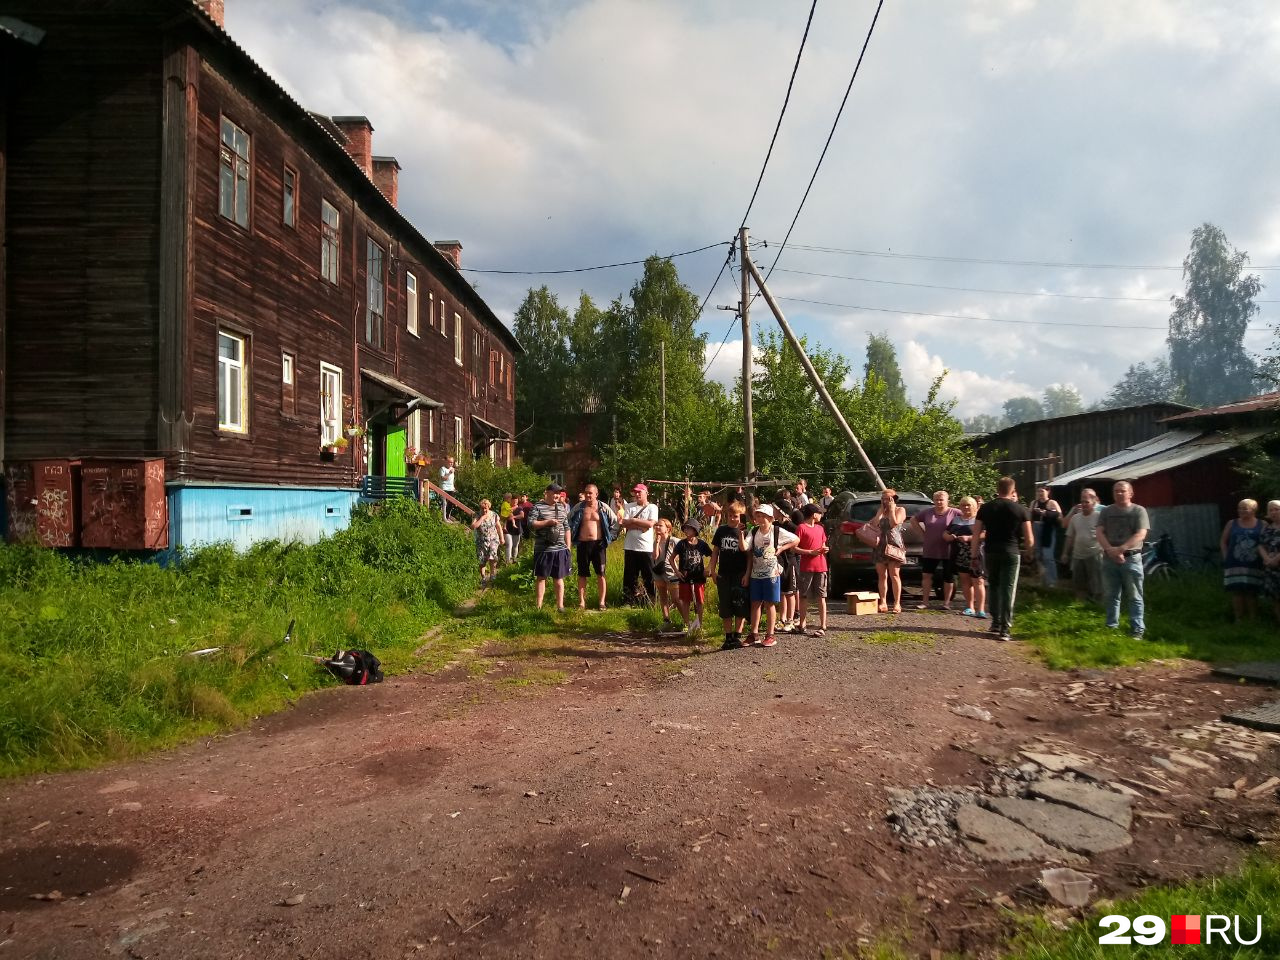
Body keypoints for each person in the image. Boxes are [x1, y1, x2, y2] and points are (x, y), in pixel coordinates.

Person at [974, 477, 1033, 642]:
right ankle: (1005, 629)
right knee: (1008, 588)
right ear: (1013, 490)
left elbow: (976, 534)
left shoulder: (985, 508)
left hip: (991, 551)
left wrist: (973, 555)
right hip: (1012, 552)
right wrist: (1029, 552)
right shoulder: (1021, 510)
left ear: (997, 489)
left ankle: (995, 621)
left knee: (993, 584)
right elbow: (1029, 538)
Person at [1095, 480, 1148, 639]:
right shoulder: (1106, 511)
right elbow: (1099, 531)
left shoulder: (1139, 511)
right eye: (1116, 491)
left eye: (1122, 491)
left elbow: (1141, 534)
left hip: (1131, 558)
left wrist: (1121, 549)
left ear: (1130, 493)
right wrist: (1110, 550)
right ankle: (1111, 626)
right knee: (1111, 594)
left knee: (1134, 595)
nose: (1119, 493)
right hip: (1109, 558)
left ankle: (1137, 629)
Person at [744, 504, 798, 647]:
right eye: (758, 516)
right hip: (756, 573)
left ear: (770, 518)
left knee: (769, 603)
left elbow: (796, 539)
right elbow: (745, 547)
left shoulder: (776, 531)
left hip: (772, 573)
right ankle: (754, 633)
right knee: (755, 603)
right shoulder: (753, 531)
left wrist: (782, 548)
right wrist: (739, 533)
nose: (760, 519)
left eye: (763, 516)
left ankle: (770, 635)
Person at [709, 502, 750, 650]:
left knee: (740, 604)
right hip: (724, 573)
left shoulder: (746, 531)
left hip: (739, 573)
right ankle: (728, 637)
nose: (733, 519)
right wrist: (712, 570)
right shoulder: (721, 530)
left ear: (741, 517)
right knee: (725, 605)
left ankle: (737, 636)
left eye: (736, 516)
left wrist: (747, 574)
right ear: (727, 516)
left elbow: (748, 555)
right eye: (731, 516)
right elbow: (715, 551)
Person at [569, 484, 616, 611]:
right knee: (582, 574)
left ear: (596, 494)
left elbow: (615, 523)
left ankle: (602, 602)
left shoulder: (603, 507)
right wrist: (571, 538)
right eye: (586, 493)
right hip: (582, 545)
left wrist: (609, 538)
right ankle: (582, 602)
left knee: (601, 574)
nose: (588, 495)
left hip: (598, 545)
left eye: (590, 493)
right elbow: (568, 521)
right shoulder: (579, 507)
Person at [914, 490, 960, 609]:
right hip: (930, 549)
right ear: (933, 500)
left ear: (947, 500)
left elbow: (969, 518)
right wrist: (922, 534)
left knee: (949, 577)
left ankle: (946, 603)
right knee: (926, 575)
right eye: (936, 499)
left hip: (949, 549)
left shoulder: (955, 512)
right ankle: (925, 602)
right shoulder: (928, 512)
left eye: (941, 499)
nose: (939, 502)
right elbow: (914, 520)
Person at [529, 483, 571, 611]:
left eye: (559, 493)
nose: (557, 495)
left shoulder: (562, 508)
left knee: (559, 578)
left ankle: (560, 606)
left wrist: (568, 546)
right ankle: (539, 606)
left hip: (560, 549)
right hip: (543, 549)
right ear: (547, 493)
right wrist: (547, 522)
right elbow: (531, 524)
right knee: (541, 577)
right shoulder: (537, 507)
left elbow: (567, 527)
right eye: (554, 492)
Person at [1221, 498, 1264, 621]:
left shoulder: (1262, 524)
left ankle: (1253, 619)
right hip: (1234, 563)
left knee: (1252, 591)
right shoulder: (1231, 523)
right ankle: (1238, 619)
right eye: (1239, 508)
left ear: (1253, 510)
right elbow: (1223, 542)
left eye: (1244, 508)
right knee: (1237, 591)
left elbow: (1266, 542)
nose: (1241, 510)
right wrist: (1225, 557)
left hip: (1255, 563)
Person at [945, 496, 986, 619]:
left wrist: (969, 538)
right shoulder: (956, 519)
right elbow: (946, 533)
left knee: (978, 581)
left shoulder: (979, 519)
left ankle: (981, 609)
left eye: (969, 505)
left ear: (974, 506)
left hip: (975, 554)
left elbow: (984, 534)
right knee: (965, 581)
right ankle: (970, 607)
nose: (966, 507)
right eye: (963, 505)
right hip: (959, 554)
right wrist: (948, 537)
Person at [869, 489, 908, 613]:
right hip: (880, 545)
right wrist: (880, 511)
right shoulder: (881, 511)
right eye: (883, 498)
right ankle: (883, 601)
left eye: (888, 498)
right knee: (882, 575)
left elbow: (894, 523)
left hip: (894, 545)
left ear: (894, 498)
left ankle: (897, 603)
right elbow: (874, 525)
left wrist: (891, 510)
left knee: (894, 574)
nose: (885, 501)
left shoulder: (900, 510)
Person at [619, 483, 659, 605]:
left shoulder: (652, 507)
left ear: (646, 493)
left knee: (649, 575)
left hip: (645, 547)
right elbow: (624, 523)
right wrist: (640, 524)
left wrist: (634, 520)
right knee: (630, 576)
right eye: (635, 492)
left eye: (639, 492)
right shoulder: (629, 506)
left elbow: (650, 524)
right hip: (630, 546)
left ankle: (651, 600)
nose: (637, 494)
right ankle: (628, 600)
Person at [1061, 488, 1103, 603]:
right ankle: (1080, 605)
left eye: (1087, 502)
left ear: (1094, 502)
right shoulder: (1075, 518)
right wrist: (1065, 553)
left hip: (1095, 554)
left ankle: (1097, 605)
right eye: (1082, 501)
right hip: (1078, 555)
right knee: (1079, 582)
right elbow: (1069, 536)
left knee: (1096, 583)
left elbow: (1106, 535)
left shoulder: (1099, 516)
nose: (1084, 504)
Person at [672, 519, 712, 636]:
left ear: (695, 530)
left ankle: (700, 624)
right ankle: (687, 624)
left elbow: (713, 555)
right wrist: (677, 572)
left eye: (689, 528)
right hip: (685, 577)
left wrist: (708, 568)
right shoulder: (681, 544)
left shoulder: (702, 544)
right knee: (685, 601)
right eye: (685, 528)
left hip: (698, 577)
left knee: (699, 601)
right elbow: (671, 558)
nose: (686, 530)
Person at [795, 503, 830, 637]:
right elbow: (794, 548)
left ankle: (823, 625)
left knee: (822, 596)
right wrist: (810, 552)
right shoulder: (801, 528)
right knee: (804, 596)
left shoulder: (820, 528)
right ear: (814, 514)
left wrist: (824, 549)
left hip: (821, 566)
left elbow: (823, 544)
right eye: (819, 512)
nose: (821, 515)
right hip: (806, 567)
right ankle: (802, 624)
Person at [1030, 486, 1064, 587]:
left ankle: (1052, 581)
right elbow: (1029, 514)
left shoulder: (1052, 502)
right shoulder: (1034, 503)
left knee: (1048, 556)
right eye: (1038, 491)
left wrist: (1046, 513)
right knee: (1038, 554)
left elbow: (1059, 516)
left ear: (1048, 492)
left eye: (1042, 491)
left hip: (1047, 529)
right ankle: (1042, 579)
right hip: (1035, 527)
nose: (1040, 493)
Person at [651, 518, 680, 629]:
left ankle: (686, 621)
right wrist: (657, 542)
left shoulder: (673, 540)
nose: (657, 527)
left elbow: (685, 549)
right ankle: (666, 620)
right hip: (659, 572)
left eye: (660, 526)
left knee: (676, 599)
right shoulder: (656, 541)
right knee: (663, 597)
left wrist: (679, 564)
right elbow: (655, 557)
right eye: (656, 525)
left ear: (667, 529)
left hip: (671, 572)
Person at [777, 508, 803, 632]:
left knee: (791, 591)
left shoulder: (792, 526)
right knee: (781, 591)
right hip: (779, 561)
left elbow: (798, 540)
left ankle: (790, 619)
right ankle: (782, 618)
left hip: (791, 560)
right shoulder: (775, 525)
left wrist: (784, 548)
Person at [1257, 500, 1280, 622]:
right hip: (1271, 568)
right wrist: (1267, 559)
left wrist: (1276, 559)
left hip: (1277, 563)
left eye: (1277, 509)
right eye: (1271, 510)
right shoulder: (1267, 528)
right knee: (1275, 598)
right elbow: (1260, 545)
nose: (1274, 512)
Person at [470, 499, 501, 585]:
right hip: (481, 540)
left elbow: (498, 527)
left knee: (493, 556)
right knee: (482, 560)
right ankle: (483, 577)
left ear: (489, 507)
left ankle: (492, 574)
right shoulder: (477, 515)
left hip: (493, 539)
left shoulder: (494, 515)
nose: (484, 510)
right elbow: (473, 526)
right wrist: (482, 518)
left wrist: (502, 538)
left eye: (486, 508)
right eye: (482, 508)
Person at [504, 494, 525, 564]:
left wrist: (513, 517)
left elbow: (522, 515)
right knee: (509, 544)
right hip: (507, 529)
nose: (515, 501)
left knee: (515, 545)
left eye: (516, 500)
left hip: (517, 529)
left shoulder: (519, 508)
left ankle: (514, 559)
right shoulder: (507, 507)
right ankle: (508, 561)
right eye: (514, 500)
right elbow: (502, 516)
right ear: (511, 500)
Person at [438, 455, 457, 521]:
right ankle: (444, 518)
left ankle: (447, 516)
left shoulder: (452, 469)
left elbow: (452, 479)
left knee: (451, 503)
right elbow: (443, 479)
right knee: (444, 503)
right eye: (450, 462)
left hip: (451, 488)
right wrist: (449, 473)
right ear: (446, 462)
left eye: (452, 462)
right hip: (444, 488)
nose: (451, 464)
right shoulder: (442, 469)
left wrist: (453, 487)